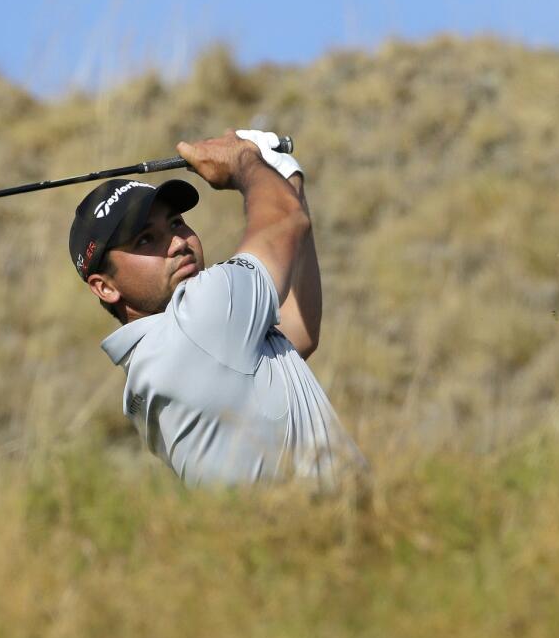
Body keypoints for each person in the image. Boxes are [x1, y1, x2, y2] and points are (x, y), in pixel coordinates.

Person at [68, 130, 366, 489]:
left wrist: (286, 179)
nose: (178, 242)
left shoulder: (151, 368)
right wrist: (245, 161)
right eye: (146, 239)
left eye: (176, 223)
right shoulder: (198, 321)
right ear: (105, 286)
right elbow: (287, 220)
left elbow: (297, 332)